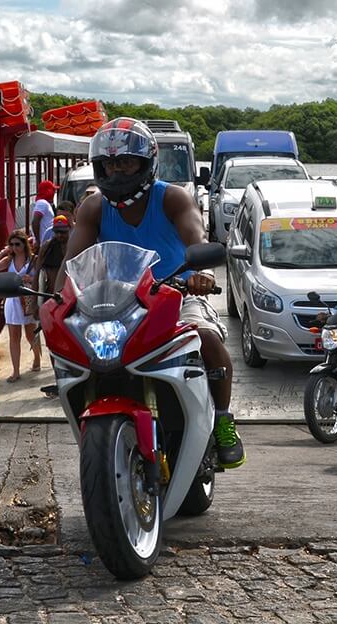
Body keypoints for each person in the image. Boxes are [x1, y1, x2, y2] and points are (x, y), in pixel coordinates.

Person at [57, 117, 245, 468]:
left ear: (147, 163)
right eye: (109, 164)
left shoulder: (172, 198)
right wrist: (56, 303)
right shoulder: (94, 207)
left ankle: (222, 418)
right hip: (117, 302)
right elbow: (71, 263)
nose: (116, 172)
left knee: (205, 336)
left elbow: (196, 238)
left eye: (125, 161)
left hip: (177, 294)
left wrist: (200, 273)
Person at [0, 229, 43, 382]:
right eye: (11, 244)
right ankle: (16, 371)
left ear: (24, 244)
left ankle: (36, 357)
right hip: (13, 300)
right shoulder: (9, 260)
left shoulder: (33, 260)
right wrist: (2, 252)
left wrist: (30, 280)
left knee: (30, 333)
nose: (14, 247)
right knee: (14, 336)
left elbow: (40, 278)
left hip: (27, 300)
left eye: (17, 244)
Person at [33, 214, 71, 300]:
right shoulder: (47, 247)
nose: (59, 235)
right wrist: (34, 302)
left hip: (70, 294)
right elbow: (37, 275)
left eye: (63, 232)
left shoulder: (73, 246)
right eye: (57, 232)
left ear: (68, 229)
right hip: (50, 295)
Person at [30, 180, 57, 252]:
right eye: (53, 191)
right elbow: (35, 221)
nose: (54, 193)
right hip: (44, 243)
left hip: (46, 242)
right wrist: (38, 241)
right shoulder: (42, 203)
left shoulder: (44, 203)